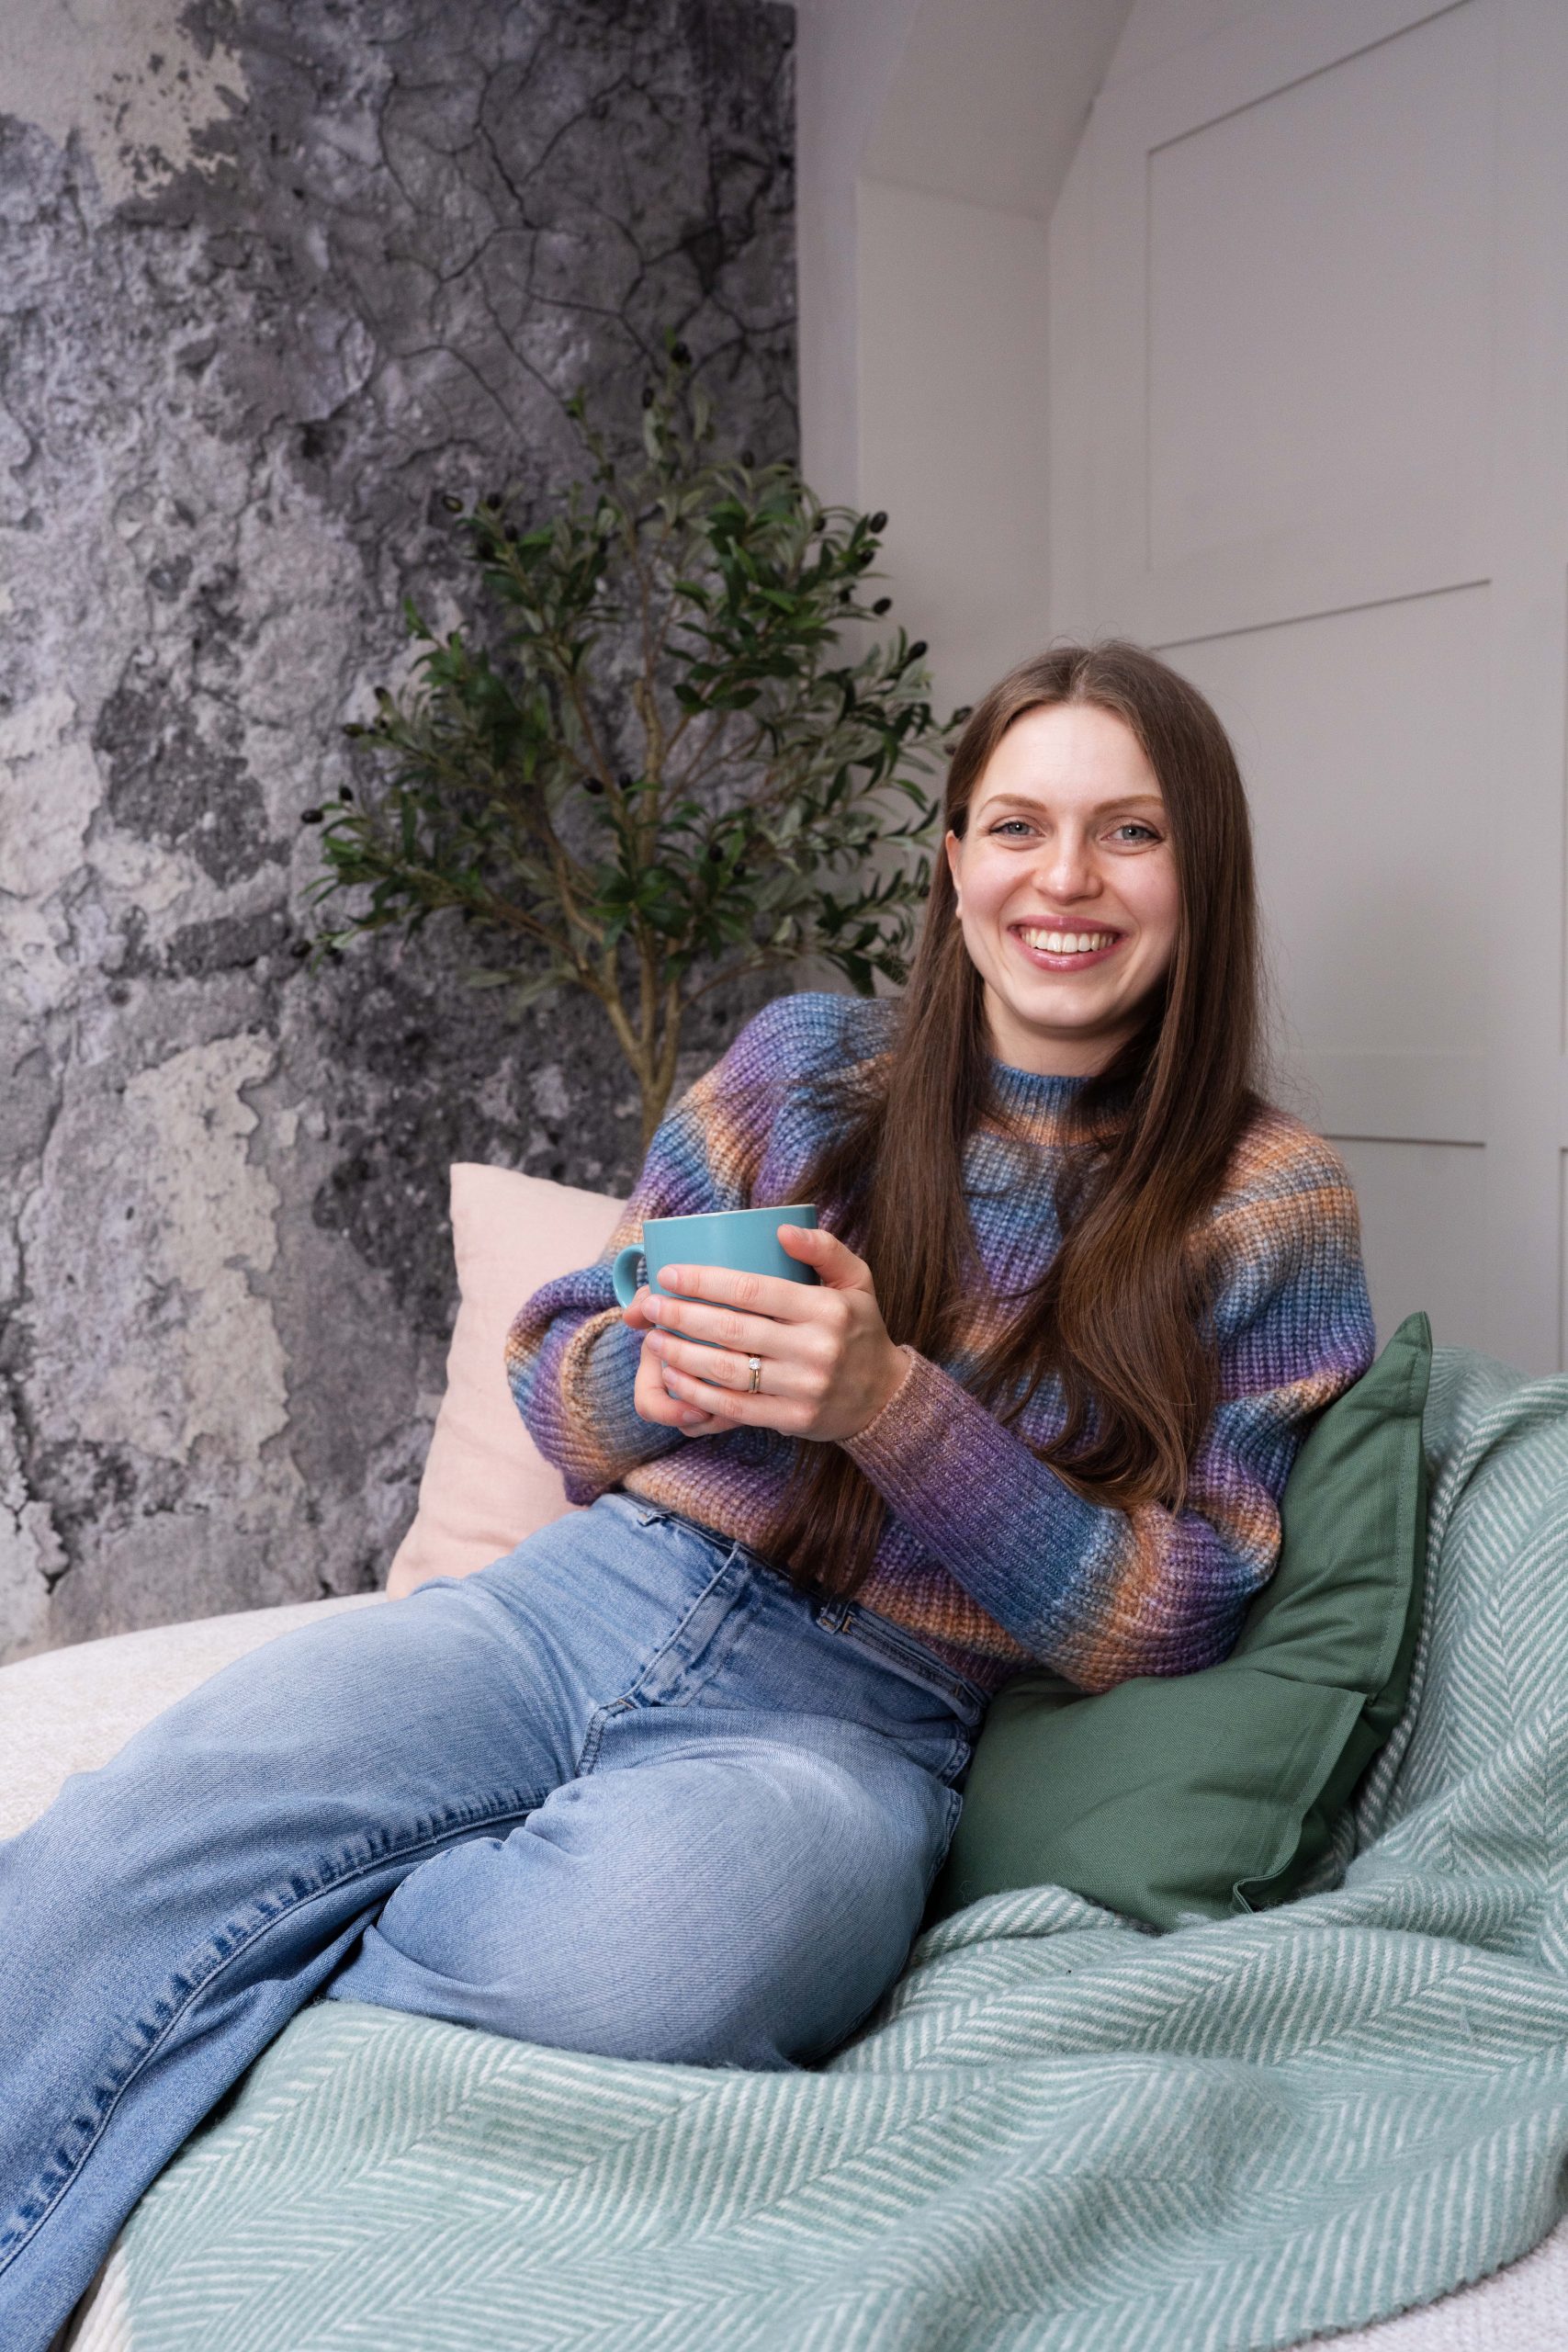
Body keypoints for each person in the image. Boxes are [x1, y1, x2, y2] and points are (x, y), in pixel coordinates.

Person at [0, 642, 1374, 2351]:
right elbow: (557, 1373)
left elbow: (1180, 1606)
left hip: (855, 1730)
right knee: (123, 1844)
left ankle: (278, 1957)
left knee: (662, 1956)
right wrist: (657, 1376)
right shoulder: (806, 1068)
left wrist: (890, 1407)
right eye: (1016, 825)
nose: (1065, 882)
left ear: (1202, 871)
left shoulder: (1266, 1201)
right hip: (576, 1609)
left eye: (1130, 834)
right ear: (952, 860)